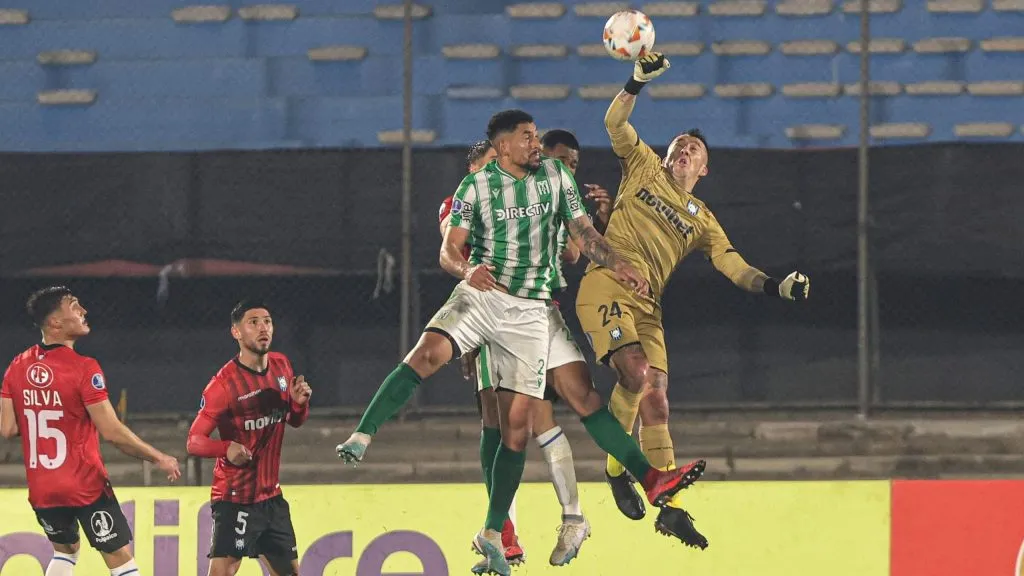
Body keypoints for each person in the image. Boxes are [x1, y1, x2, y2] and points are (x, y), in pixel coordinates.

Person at [338, 109, 706, 576]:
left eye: (541, 139)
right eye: (529, 137)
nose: (539, 145)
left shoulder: (554, 178)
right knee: (490, 409)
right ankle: (370, 438)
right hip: (485, 299)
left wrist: (617, 262)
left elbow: (581, 241)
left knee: (550, 411)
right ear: (500, 148)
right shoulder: (473, 190)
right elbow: (450, 249)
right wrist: (466, 270)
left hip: (537, 312)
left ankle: (581, 507)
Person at [575, 52, 812, 549]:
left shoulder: (702, 218)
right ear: (666, 155)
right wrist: (637, 80)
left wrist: (776, 285)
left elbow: (733, 266)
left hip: (649, 306)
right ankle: (618, 468)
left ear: (704, 168)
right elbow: (614, 120)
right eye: (679, 145)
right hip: (607, 283)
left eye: (693, 150)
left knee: (656, 394)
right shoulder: (641, 167)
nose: (684, 150)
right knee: (635, 374)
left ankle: (672, 508)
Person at [0, 286, 181, 576]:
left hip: (44, 489)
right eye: (74, 306)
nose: (83, 311)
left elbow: (7, 429)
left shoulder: (16, 367)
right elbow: (111, 431)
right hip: (84, 487)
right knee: (121, 559)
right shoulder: (84, 368)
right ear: (55, 323)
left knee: (66, 550)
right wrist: (158, 457)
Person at [186, 300, 312, 576]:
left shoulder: (282, 365)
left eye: (267, 321)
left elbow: (294, 420)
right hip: (235, 497)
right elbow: (194, 441)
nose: (262, 327)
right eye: (253, 322)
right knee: (222, 572)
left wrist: (299, 404)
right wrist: (225, 447)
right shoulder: (223, 384)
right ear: (236, 332)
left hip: (272, 498)